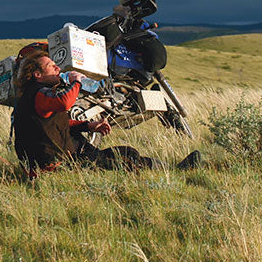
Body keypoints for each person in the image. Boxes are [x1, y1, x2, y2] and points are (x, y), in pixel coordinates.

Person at [11, 43, 201, 177]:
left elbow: (54, 125)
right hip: (57, 162)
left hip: (57, 157)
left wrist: (88, 125)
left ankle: (167, 168)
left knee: (126, 153)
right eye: (51, 67)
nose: (57, 68)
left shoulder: (31, 96)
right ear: (37, 75)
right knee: (123, 160)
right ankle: (175, 170)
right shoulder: (40, 95)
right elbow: (64, 103)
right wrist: (77, 81)